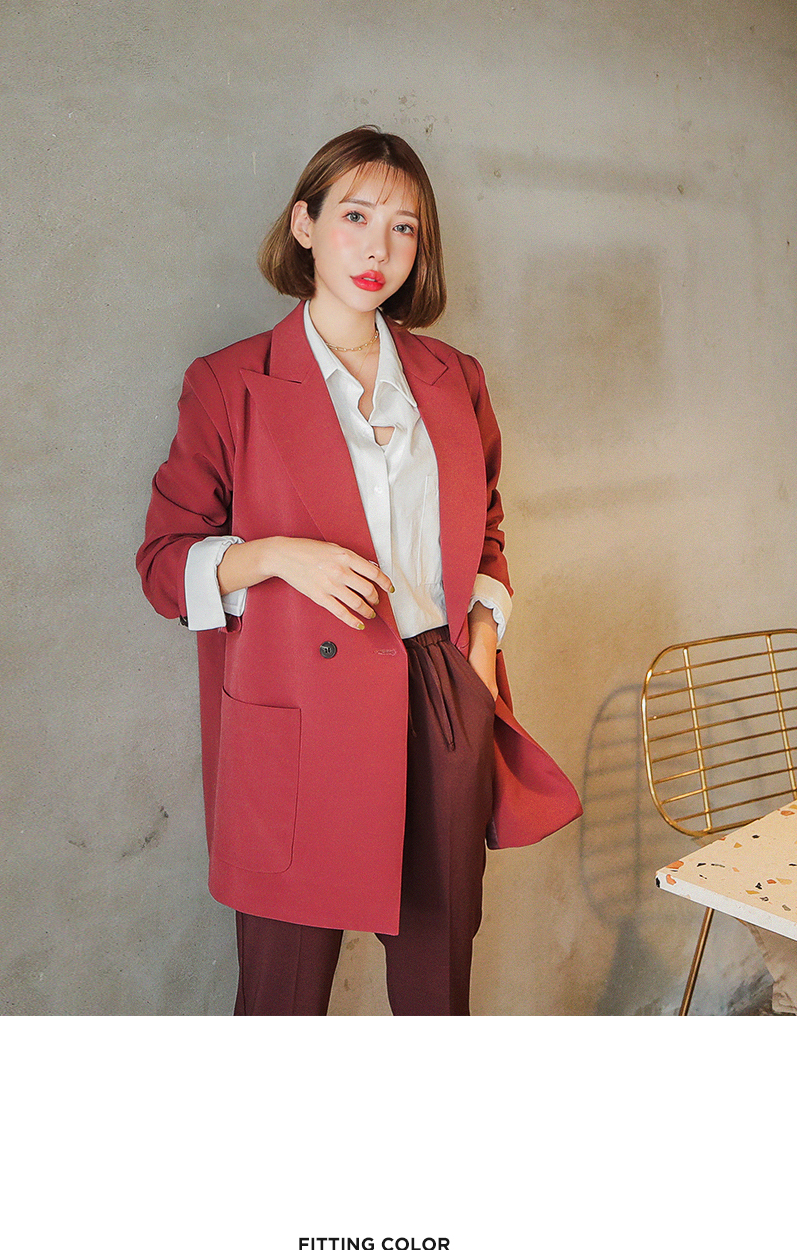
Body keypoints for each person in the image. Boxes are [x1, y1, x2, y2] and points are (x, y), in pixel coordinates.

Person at [136, 126, 581, 1014]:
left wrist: (480, 645)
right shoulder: (230, 383)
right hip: (299, 708)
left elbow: (486, 527)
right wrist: (276, 555)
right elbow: (161, 564)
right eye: (355, 216)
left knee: (436, 989)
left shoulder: (454, 378)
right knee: (282, 998)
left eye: (404, 227)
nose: (379, 248)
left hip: (441, 691)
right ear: (304, 225)